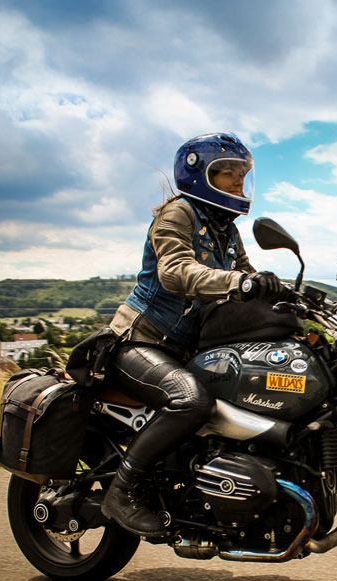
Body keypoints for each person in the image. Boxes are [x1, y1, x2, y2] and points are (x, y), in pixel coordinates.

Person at [101, 133, 286, 536]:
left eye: (242, 174)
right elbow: (176, 271)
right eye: (227, 174)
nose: (238, 182)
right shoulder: (178, 215)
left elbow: (245, 277)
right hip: (141, 342)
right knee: (191, 401)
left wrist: (280, 293)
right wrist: (240, 283)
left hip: (184, 349)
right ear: (199, 175)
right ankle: (121, 491)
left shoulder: (226, 230)